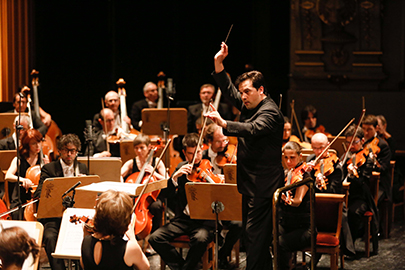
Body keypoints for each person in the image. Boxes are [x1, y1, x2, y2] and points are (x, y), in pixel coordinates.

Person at [205, 42, 284, 269]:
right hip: (250, 183)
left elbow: (252, 129)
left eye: (247, 91)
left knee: (254, 236)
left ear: (261, 90)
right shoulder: (251, 104)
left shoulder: (270, 111)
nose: (243, 96)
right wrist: (218, 65)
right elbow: (229, 92)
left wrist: (224, 124)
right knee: (253, 237)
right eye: (242, 92)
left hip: (264, 185)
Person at [149, 133, 215, 270]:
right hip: (184, 220)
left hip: (203, 222)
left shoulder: (208, 166)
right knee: (154, 238)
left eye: (198, 152)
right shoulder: (181, 168)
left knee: (200, 239)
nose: (195, 157)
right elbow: (165, 195)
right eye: (191, 154)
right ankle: (183, 267)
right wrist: (174, 178)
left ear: (202, 149)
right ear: (185, 153)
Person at [33, 134, 88, 270]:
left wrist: (86, 183)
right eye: (66, 150)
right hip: (54, 216)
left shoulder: (83, 168)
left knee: (88, 236)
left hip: (77, 217)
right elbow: (39, 193)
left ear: (76, 152)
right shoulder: (49, 169)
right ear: (60, 151)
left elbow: (89, 196)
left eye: (73, 151)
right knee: (50, 237)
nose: (69, 154)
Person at [201, 123, 242, 268]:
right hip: (208, 205)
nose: (224, 144)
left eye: (225, 140)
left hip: (228, 204)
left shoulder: (231, 157)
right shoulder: (202, 157)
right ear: (209, 141)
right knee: (210, 224)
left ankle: (223, 253)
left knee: (239, 224)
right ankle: (209, 256)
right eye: (219, 141)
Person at [80, 189, 150, 270]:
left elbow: (84, 265)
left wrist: (86, 234)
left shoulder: (86, 241)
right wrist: (133, 239)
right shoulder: (130, 248)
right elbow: (145, 267)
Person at [341, 125, 379, 255]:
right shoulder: (346, 156)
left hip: (361, 197)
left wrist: (354, 175)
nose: (350, 146)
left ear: (362, 141)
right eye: (348, 143)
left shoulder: (368, 157)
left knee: (352, 212)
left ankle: (349, 248)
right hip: (346, 195)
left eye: (354, 143)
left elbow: (364, 182)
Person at [120, 133, 166, 236]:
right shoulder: (131, 163)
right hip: (136, 197)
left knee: (156, 207)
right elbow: (118, 174)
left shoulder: (157, 161)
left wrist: (154, 173)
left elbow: (166, 180)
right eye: (136, 148)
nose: (139, 151)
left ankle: (154, 236)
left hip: (153, 197)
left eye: (142, 147)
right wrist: (122, 183)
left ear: (149, 147)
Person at [278, 141, 313, 270]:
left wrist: (288, 201)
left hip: (304, 228)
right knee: (267, 236)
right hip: (287, 223)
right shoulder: (288, 173)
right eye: (285, 157)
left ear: (300, 156)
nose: (288, 161)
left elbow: (297, 201)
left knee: (280, 244)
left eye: (292, 157)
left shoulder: (304, 176)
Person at [5, 129, 49, 220]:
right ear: (27, 145)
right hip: (21, 199)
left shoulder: (44, 159)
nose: (38, 146)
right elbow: (8, 175)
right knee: (19, 215)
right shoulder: (18, 160)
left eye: (39, 142)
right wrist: (23, 179)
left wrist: (48, 166)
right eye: (33, 143)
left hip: (37, 199)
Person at [361, 114, 392, 203]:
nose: (366, 133)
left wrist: (373, 161)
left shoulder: (383, 145)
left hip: (379, 185)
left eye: (369, 129)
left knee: (369, 202)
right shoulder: (361, 143)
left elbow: (383, 169)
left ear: (376, 128)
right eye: (364, 129)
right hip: (364, 182)